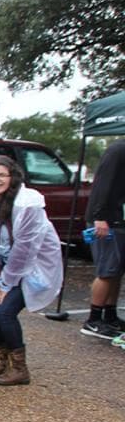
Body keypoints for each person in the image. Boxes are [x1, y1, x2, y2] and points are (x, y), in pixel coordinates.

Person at [0, 155, 62, 385]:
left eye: (2, 175)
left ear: (12, 178)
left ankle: (20, 368)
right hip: (7, 266)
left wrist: (7, 282)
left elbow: (25, 248)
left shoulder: (26, 204)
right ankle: (3, 360)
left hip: (32, 267)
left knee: (4, 311)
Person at [82, 139, 125, 341]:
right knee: (106, 271)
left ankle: (110, 315)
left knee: (116, 271)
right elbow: (102, 183)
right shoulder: (118, 150)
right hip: (106, 221)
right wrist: (99, 216)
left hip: (119, 221)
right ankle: (93, 319)